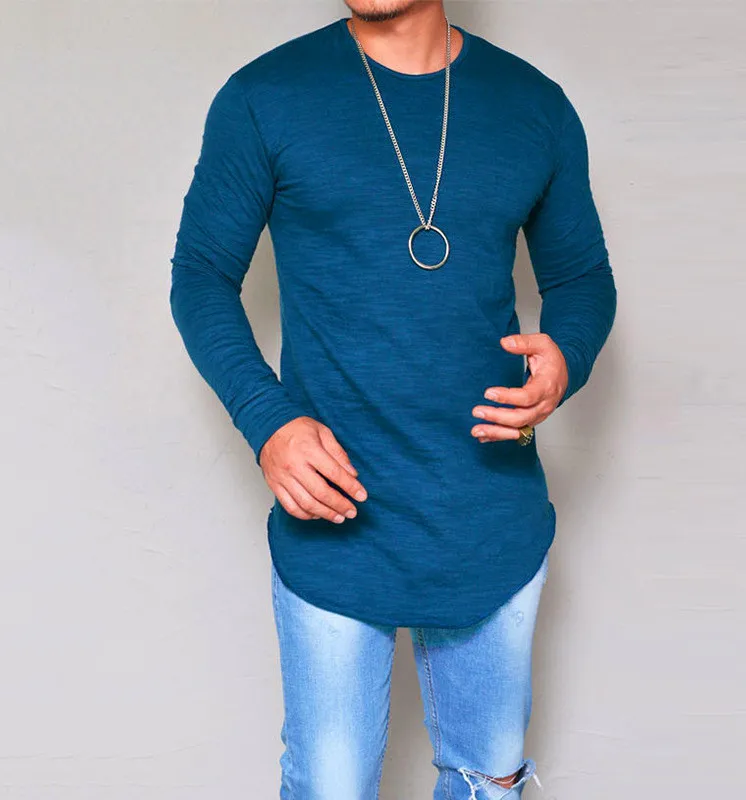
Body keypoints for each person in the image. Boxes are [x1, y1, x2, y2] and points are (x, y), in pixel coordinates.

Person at [169, 1, 616, 796]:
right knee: (331, 786)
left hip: (489, 512)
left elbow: (581, 277)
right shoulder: (265, 96)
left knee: (487, 784)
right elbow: (201, 275)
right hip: (335, 512)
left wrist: (566, 358)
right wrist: (268, 422)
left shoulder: (534, 106)